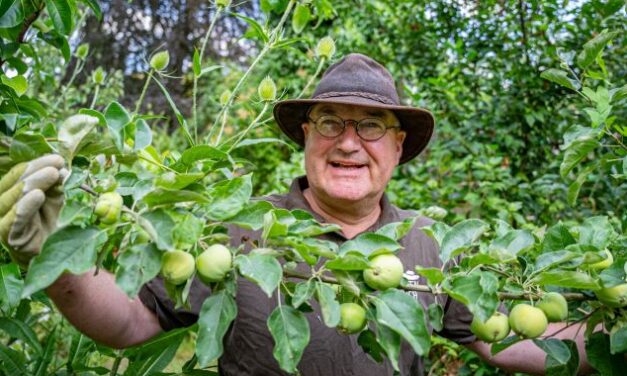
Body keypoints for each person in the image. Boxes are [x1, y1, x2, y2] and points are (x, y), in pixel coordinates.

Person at [0, 54, 595, 375]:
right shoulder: (238, 232)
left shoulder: (431, 244)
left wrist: (614, 339)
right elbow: (132, 323)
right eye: (330, 123)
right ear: (306, 137)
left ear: (397, 148)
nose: (347, 143)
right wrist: (55, 265)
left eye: (370, 127)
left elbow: (520, 338)